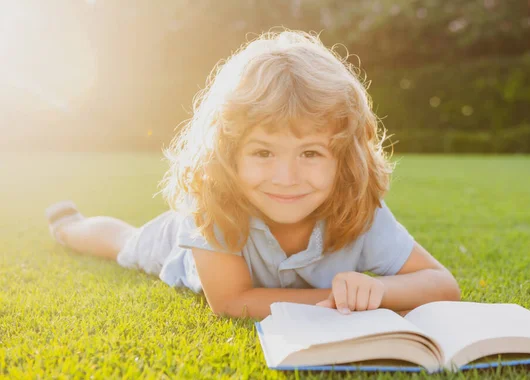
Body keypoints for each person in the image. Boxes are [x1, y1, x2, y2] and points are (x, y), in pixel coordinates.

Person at [45, 30, 460, 320]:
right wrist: (340, 300)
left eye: (311, 153)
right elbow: (230, 301)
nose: (286, 176)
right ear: (228, 152)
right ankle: (71, 227)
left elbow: (442, 284)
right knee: (126, 243)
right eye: (263, 152)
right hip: (180, 249)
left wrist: (380, 292)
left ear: (344, 160)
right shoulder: (212, 202)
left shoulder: (359, 212)